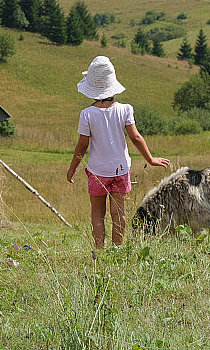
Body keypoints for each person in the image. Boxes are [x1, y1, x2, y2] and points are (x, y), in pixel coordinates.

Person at [66, 56, 169, 249]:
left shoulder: (87, 114)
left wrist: (72, 169)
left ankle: (99, 250)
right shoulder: (125, 110)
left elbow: (82, 145)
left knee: (97, 213)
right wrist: (151, 159)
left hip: (97, 172)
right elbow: (136, 138)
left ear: (93, 89)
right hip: (120, 170)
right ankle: (117, 249)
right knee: (118, 212)